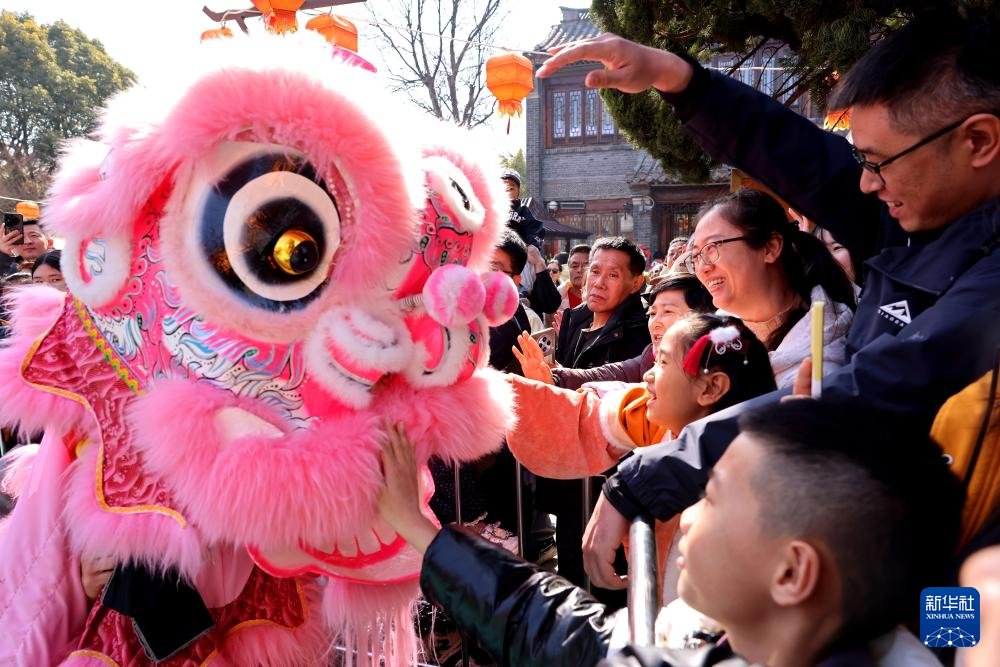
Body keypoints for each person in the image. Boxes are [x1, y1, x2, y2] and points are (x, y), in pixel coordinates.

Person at [535, 7, 1000, 590]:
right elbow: (792, 150)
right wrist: (676, 77)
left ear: (979, 141)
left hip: (952, 584)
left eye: (880, 162)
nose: (865, 182)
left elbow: (884, 383)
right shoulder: (916, 214)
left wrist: (657, 472)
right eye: (861, 161)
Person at [376, 398, 960, 667]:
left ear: (791, 572)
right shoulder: (714, 640)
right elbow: (569, 636)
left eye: (713, 496)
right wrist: (422, 531)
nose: (691, 516)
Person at [687, 188, 856, 387]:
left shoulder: (822, 374)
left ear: (770, 248)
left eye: (712, 247)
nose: (703, 268)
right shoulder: (711, 336)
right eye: (696, 256)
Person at [518, 274, 713, 389]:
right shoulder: (649, 356)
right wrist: (555, 377)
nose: (655, 323)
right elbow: (605, 375)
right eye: (652, 313)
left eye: (668, 312)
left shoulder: (712, 365)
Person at [558, 243, 589, 312]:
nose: (579, 270)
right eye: (575, 266)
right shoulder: (555, 298)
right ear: (568, 268)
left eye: (585, 266)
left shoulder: (604, 298)